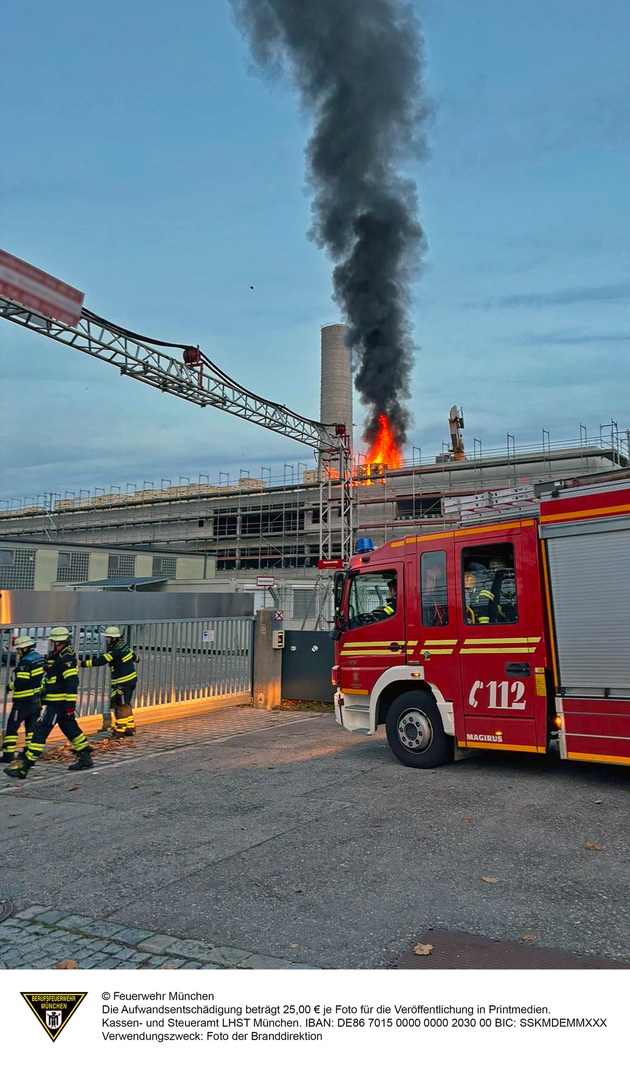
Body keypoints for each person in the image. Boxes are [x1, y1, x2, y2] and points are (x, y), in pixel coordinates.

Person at [4, 626, 94, 779]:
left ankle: (24, 766)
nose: (51, 644)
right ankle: (85, 757)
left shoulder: (65, 658)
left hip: (58, 704)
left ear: (59, 643)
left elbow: (71, 682)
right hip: (58, 703)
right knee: (71, 729)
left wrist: (69, 706)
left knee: (40, 733)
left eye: (53, 642)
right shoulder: (61, 656)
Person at [80, 626, 140, 738]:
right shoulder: (124, 645)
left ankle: (119, 731)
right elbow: (134, 656)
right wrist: (137, 659)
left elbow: (101, 661)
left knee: (119, 706)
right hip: (131, 680)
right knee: (126, 703)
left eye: (107, 637)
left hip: (122, 683)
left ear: (113, 638)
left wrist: (82, 664)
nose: (106, 639)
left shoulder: (115, 651)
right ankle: (130, 728)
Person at [1, 635, 45, 763]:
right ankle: (28, 752)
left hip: (23, 701)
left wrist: (10, 686)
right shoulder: (39, 658)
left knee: (12, 726)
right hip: (36, 700)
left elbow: (21, 682)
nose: (17, 652)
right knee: (31, 728)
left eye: (19, 649)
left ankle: (8, 754)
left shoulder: (25, 662)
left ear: (24, 648)